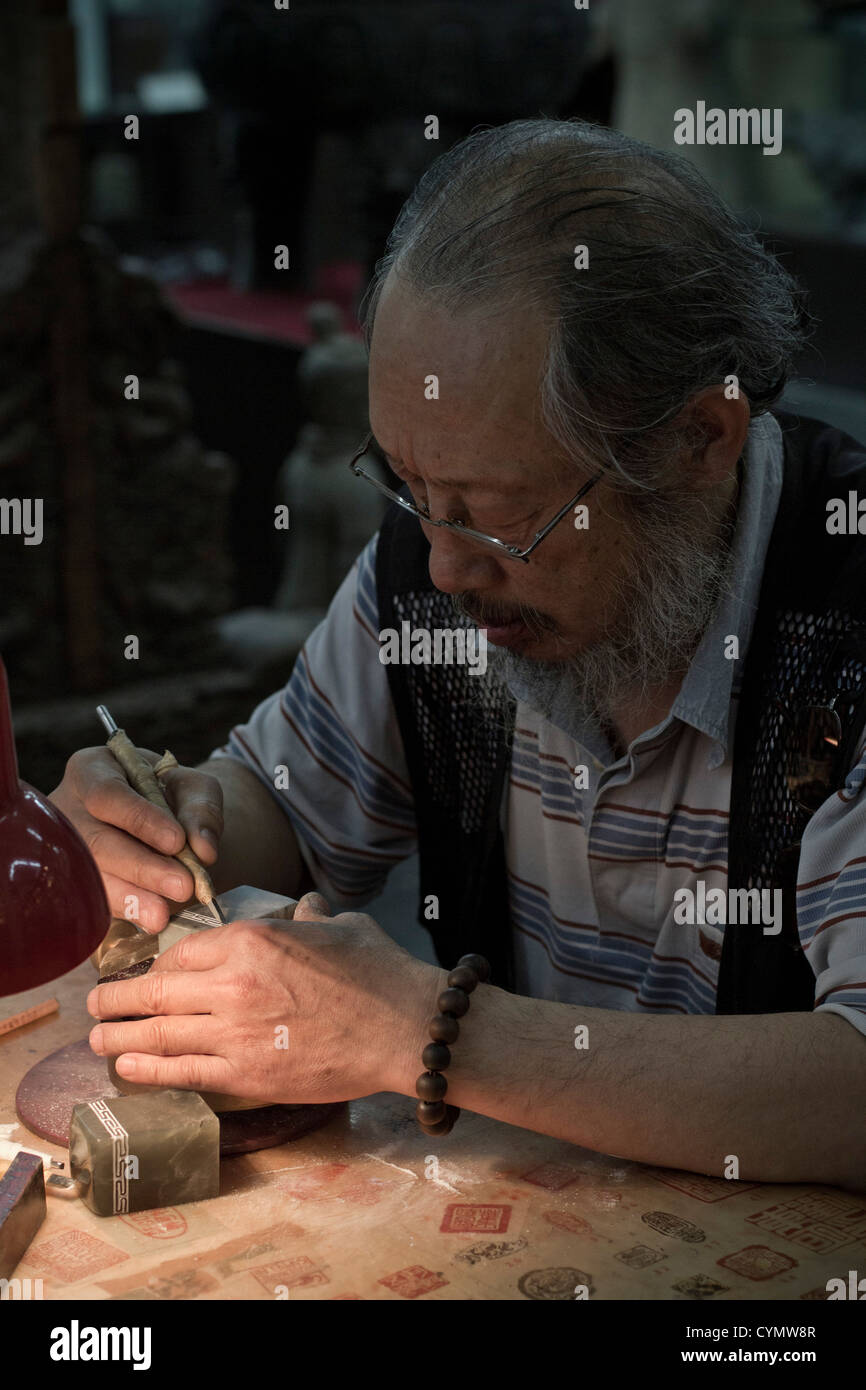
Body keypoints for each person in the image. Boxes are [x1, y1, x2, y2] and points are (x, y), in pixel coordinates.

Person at [51, 120, 866, 1186]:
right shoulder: (443, 559)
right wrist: (169, 819)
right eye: (406, 487)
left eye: (499, 515)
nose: (440, 566)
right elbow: (285, 803)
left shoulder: (840, 618)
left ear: (695, 440)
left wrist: (425, 1034)